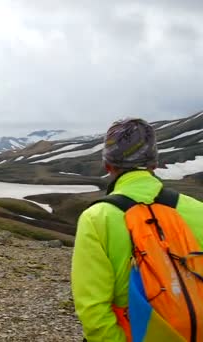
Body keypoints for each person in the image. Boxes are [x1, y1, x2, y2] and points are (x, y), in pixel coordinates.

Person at [71, 118, 203, 341]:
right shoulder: (197, 209)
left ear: (108, 165)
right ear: (154, 163)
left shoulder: (97, 218)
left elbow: (93, 309)